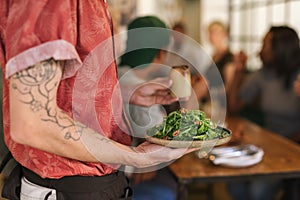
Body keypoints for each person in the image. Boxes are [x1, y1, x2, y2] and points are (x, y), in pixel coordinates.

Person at [0, 1, 197, 199]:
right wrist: (137, 156)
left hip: (96, 182)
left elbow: (67, 89)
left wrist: (123, 92)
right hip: (67, 188)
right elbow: (32, 122)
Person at [227, 25, 300, 200]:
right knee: (234, 185)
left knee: (258, 190)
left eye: (265, 45)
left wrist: (283, 145)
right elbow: (234, 107)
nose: (260, 50)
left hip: (293, 149)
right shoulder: (263, 75)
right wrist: (238, 71)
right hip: (267, 147)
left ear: (279, 49)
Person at [118, 16, 178, 200]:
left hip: (114, 170)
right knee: (171, 186)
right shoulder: (139, 90)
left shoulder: (117, 73)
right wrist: (194, 96)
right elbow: (164, 136)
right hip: (126, 175)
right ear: (161, 53)